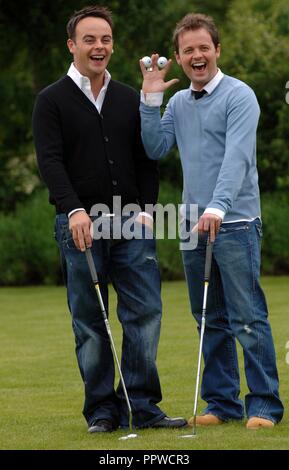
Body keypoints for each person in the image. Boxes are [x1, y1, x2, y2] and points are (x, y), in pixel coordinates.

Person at [32, 5, 187, 433]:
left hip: (131, 223)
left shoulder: (126, 97)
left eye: (105, 40)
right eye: (89, 39)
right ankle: (101, 410)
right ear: (72, 45)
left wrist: (149, 210)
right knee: (90, 321)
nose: (98, 47)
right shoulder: (51, 100)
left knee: (146, 313)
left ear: (112, 45)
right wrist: (73, 208)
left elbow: (146, 162)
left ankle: (142, 407)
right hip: (80, 225)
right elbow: (50, 162)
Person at [139, 13, 284, 429]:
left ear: (217, 50)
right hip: (191, 225)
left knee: (248, 317)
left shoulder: (241, 96)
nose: (197, 55)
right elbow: (155, 147)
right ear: (180, 59)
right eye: (188, 50)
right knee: (209, 318)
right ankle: (222, 403)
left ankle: (264, 406)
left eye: (204, 47)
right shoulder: (180, 102)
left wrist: (217, 206)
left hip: (234, 222)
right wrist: (150, 100)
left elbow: (236, 158)